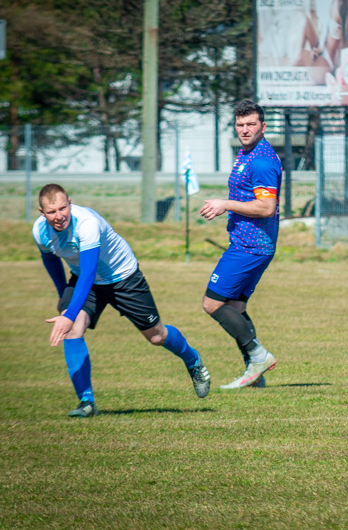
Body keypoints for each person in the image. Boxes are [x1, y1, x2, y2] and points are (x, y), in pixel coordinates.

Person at [34, 184, 210, 418]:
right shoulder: (40, 231)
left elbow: (89, 271)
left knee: (157, 337)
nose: (59, 216)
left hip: (123, 277)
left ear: (70, 203)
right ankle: (86, 402)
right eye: (51, 212)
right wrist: (62, 297)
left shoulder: (86, 223)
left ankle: (192, 360)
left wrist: (67, 314)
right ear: (41, 212)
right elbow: (50, 260)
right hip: (85, 279)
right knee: (73, 330)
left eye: (63, 208)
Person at [200, 100, 282, 389]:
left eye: (250, 124)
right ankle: (254, 375)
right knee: (235, 305)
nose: (245, 130)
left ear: (263, 126)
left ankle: (258, 355)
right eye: (240, 125)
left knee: (212, 304)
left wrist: (225, 204)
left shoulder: (261, 160)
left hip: (250, 247)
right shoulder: (247, 152)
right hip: (250, 243)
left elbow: (266, 207)